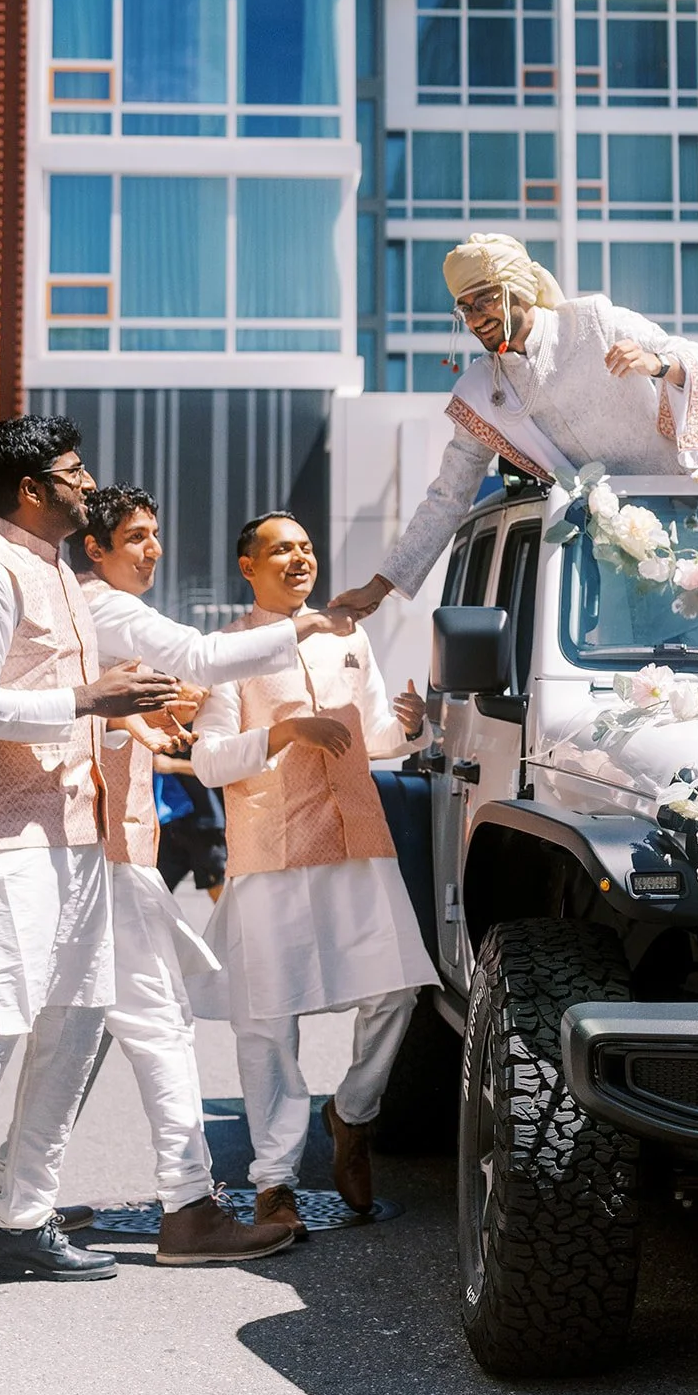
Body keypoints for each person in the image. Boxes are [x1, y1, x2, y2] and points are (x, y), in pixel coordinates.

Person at [0, 483, 355, 1264]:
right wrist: (306, 625)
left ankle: (12, 1196)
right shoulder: (98, 605)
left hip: (105, 848)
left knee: (72, 1029)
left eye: (156, 534)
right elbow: (201, 654)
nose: (153, 549)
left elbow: (121, 702)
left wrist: (136, 717)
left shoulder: (88, 606)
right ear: (94, 547)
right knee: (154, 1026)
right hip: (101, 852)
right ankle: (187, 1209)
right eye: (138, 537)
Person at [188, 512, 438, 1240]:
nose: (299, 560)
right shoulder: (229, 650)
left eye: (305, 548)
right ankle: (274, 1183)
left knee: (397, 988)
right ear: (247, 567)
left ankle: (352, 1115)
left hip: (358, 838)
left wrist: (410, 725)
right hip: (272, 847)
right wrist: (286, 732)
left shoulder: (348, 634)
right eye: (280, 550)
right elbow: (207, 761)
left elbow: (377, 736)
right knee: (268, 1020)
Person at [0, 417, 181, 1309]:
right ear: (32, 490)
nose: (88, 480)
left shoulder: (60, 571)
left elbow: (73, 700)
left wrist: (128, 710)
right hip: (6, 843)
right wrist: (83, 696)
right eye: (72, 470)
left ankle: (22, 1220)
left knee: (73, 1025)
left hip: (78, 837)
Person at [331, 232, 698, 616]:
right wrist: (381, 586)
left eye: (486, 300)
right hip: (614, 556)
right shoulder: (482, 390)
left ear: (520, 291)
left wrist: (658, 365)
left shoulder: (594, 323)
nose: (475, 319)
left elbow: (692, 357)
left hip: (696, 518)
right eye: (465, 308)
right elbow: (448, 497)